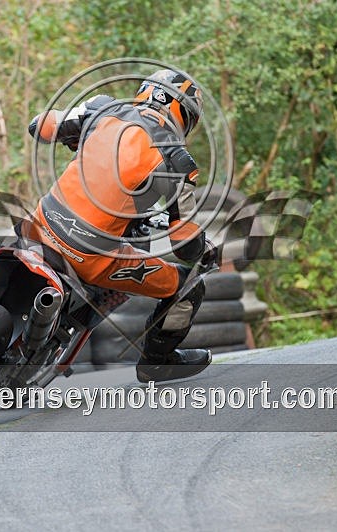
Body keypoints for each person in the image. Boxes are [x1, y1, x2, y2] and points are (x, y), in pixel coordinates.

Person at [25, 69, 215, 383]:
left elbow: (39, 125)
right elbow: (185, 243)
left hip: (42, 223)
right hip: (91, 257)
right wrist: (201, 248)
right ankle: (158, 361)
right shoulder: (179, 162)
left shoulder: (102, 108)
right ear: (186, 116)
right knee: (188, 285)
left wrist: (77, 135)